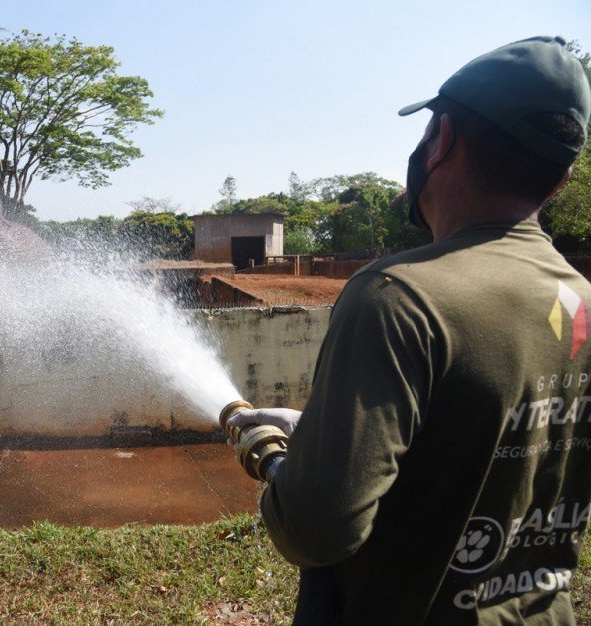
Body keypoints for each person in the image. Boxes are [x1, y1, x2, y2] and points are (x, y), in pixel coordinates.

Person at [227, 36, 591, 624]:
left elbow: (317, 530)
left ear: (441, 140)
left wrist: (278, 463)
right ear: (562, 176)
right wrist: (322, 429)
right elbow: (490, 445)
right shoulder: (583, 302)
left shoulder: (398, 296)